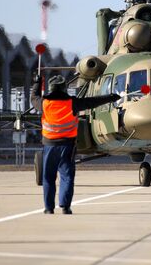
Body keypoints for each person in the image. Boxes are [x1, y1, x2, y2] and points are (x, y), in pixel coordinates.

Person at [31, 74, 120, 215]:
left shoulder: (44, 103)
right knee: (67, 176)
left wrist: (37, 82)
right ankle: (65, 207)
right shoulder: (72, 103)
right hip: (67, 146)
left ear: (51, 88)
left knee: (48, 177)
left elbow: (33, 98)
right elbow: (92, 102)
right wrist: (111, 97)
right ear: (64, 88)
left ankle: (49, 208)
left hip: (49, 146)